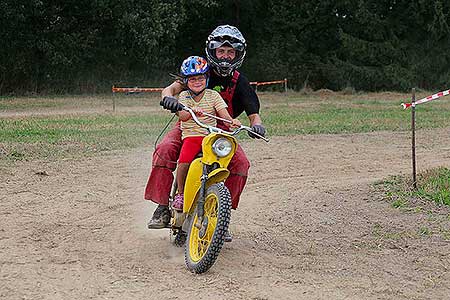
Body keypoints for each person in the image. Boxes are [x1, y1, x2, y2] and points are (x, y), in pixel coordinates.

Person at [146, 25, 266, 241]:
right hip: (189, 127)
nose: (226, 57)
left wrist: (257, 125)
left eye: (230, 52)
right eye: (221, 51)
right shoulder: (198, 69)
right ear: (213, 51)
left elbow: (253, 113)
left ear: (238, 54)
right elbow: (171, 89)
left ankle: (220, 215)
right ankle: (163, 207)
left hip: (219, 133)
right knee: (164, 150)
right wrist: (169, 98)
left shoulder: (240, 82)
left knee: (241, 165)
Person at [171, 55, 241, 211]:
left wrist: (232, 121)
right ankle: (180, 193)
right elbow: (182, 116)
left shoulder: (213, 95)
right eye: (193, 79)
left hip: (210, 137)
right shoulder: (184, 96)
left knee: (222, 159)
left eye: (200, 78)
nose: (197, 82)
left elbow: (223, 114)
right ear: (186, 81)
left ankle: (218, 196)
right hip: (192, 136)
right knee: (184, 161)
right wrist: (190, 112)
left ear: (207, 78)